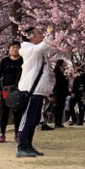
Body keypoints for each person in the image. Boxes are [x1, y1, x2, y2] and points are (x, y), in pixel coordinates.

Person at [17, 25, 54, 158]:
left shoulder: (37, 50)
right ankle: (21, 146)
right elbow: (40, 48)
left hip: (38, 90)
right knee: (27, 118)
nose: (41, 36)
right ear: (31, 37)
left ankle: (28, 145)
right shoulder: (27, 49)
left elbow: (45, 48)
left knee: (34, 119)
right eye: (38, 34)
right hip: (30, 90)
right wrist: (49, 35)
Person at [0, 41, 24, 143]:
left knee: (17, 113)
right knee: (4, 113)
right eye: (13, 47)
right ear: (9, 50)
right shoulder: (4, 61)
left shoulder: (23, 61)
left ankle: (17, 134)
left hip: (18, 90)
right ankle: (2, 133)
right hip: (5, 90)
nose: (15, 49)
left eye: (17, 47)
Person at [52, 59, 70, 129]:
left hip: (63, 91)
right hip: (58, 91)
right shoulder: (57, 71)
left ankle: (59, 122)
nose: (65, 64)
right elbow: (59, 81)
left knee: (61, 107)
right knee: (58, 107)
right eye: (64, 63)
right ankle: (57, 123)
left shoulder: (64, 71)